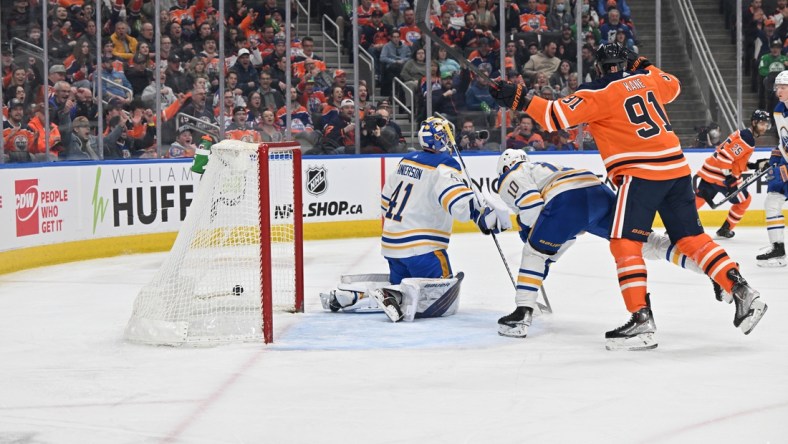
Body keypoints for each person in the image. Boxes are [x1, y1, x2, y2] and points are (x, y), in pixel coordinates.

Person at [490, 43, 768, 349]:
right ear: (628, 62)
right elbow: (673, 85)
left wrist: (516, 97)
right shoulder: (649, 79)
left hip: (640, 173)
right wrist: (643, 64)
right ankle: (741, 290)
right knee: (691, 238)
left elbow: (554, 116)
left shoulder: (595, 92)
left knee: (625, 242)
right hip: (675, 168)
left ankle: (640, 318)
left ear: (597, 66)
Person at [493, 149, 726, 338]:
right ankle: (712, 271)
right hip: (597, 191)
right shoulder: (543, 168)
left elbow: (532, 209)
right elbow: (564, 236)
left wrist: (532, 238)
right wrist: (546, 250)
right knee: (645, 243)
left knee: (532, 253)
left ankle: (523, 312)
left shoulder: (511, 174)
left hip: (568, 201)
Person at [319, 116, 501, 322]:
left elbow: (386, 201)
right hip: (423, 252)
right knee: (443, 301)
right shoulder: (445, 166)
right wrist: (480, 216)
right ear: (440, 140)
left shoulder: (406, 161)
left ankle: (357, 296)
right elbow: (457, 202)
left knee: (402, 297)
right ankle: (395, 294)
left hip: (392, 248)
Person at [695, 110, 772, 238]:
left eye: (766, 125)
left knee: (699, 198)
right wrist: (730, 178)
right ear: (754, 122)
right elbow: (725, 157)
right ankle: (726, 229)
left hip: (710, 171)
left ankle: (676, 225)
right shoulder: (747, 139)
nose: (765, 127)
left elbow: (735, 161)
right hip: (721, 176)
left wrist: (754, 165)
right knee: (744, 201)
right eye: (762, 124)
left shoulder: (743, 134)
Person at [757, 70, 788, 267]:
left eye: (784, 87)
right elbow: (783, 140)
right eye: (778, 87)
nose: (779, 91)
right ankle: (778, 249)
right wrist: (776, 157)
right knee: (772, 202)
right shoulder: (778, 109)